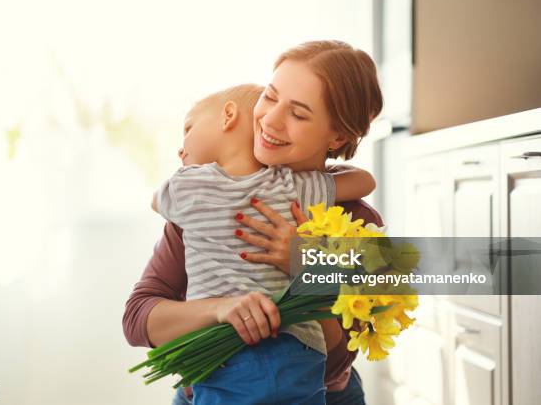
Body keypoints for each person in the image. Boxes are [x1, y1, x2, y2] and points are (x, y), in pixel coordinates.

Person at [123, 40, 383, 405]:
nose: (270, 120)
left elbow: (338, 358)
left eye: (299, 113)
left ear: (337, 135)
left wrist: (304, 265)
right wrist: (220, 309)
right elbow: (137, 319)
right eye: (271, 97)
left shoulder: (358, 220)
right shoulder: (214, 197)